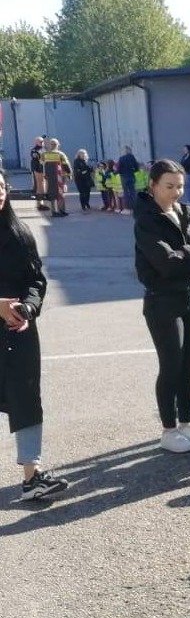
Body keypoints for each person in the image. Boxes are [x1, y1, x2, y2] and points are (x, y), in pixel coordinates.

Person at [133, 159, 190, 454]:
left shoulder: (186, 213)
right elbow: (165, 264)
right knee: (171, 365)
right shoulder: (147, 220)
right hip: (162, 301)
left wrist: (188, 251)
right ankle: (168, 430)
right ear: (153, 185)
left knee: (189, 366)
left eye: (180, 186)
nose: (176, 192)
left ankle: (187, 422)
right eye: (169, 186)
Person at [0, 172, 70, 500]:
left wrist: (28, 307)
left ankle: (33, 476)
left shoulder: (18, 233)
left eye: (0, 187)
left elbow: (36, 279)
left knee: (26, 398)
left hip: (18, 330)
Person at [41, 139, 71, 218]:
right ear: (57, 145)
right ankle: (61, 210)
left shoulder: (45, 154)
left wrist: (44, 175)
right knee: (60, 194)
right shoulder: (60, 154)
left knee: (52, 193)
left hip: (49, 177)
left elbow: (41, 164)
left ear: (50, 145)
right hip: (60, 177)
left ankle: (54, 212)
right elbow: (66, 165)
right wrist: (69, 174)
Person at [117, 146, 140, 212]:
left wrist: (120, 172)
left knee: (126, 192)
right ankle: (135, 207)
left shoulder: (121, 158)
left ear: (124, 151)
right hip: (131, 176)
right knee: (133, 192)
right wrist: (133, 171)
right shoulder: (132, 157)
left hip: (124, 177)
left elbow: (119, 169)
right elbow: (136, 167)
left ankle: (127, 208)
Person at [29, 139, 46, 211]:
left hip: (42, 169)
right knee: (39, 186)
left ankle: (42, 203)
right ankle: (40, 204)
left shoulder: (43, 149)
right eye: (40, 141)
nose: (42, 143)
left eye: (43, 141)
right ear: (36, 142)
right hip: (37, 169)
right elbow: (36, 157)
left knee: (42, 186)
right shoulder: (34, 150)